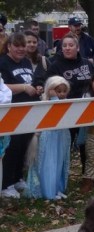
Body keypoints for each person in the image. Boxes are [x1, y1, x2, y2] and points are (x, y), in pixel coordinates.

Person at [46, 33, 94, 173]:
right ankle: (62, 174)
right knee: (66, 144)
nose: (67, 48)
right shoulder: (56, 66)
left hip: (86, 110)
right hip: (65, 112)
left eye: (71, 45)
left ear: (77, 48)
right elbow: (48, 86)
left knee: (86, 144)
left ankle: (89, 174)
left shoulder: (87, 64)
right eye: (64, 46)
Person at [0, 32, 40, 198]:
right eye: (17, 45)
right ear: (9, 46)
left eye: (23, 46)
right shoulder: (3, 62)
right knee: (12, 147)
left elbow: (29, 81)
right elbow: (3, 86)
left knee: (23, 144)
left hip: (28, 110)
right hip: (11, 111)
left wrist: (35, 88)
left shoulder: (26, 61)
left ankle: (17, 177)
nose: (21, 49)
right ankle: (6, 184)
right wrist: (23, 87)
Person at [24, 76, 71, 200]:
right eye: (58, 91)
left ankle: (57, 188)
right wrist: (52, 96)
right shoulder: (44, 103)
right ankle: (48, 191)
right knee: (49, 163)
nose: (61, 94)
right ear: (49, 90)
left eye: (63, 91)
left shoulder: (67, 103)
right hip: (48, 136)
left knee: (59, 162)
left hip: (61, 136)